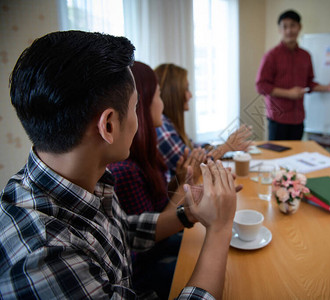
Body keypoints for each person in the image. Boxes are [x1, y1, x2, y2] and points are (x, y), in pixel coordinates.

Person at [0, 30, 237, 300]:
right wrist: (219, 228)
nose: (140, 119)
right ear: (109, 125)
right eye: (136, 107)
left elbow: (123, 232)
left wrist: (189, 214)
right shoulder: (44, 258)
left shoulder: (85, 179)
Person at [107, 61, 206, 299]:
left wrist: (179, 185)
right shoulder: (125, 167)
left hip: (151, 248)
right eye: (158, 95)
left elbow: (151, 213)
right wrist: (183, 191)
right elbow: (151, 241)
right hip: (144, 267)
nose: (162, 103)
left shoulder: (147, 151)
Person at [256, 10, 330, 141]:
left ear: (299, 27)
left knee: (295, 159)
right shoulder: (271, 56)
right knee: (276, 159)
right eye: (285, 26)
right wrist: (288, 93)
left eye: (292, 25)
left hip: (298, 118)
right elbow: (261, 86)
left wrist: (328, 88)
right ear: (279, 30)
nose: (289, 30)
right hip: (278, 119)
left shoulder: (305, 56)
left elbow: (309, 83)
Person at [155, 63, 253, 181]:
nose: (190, 95)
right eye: (186, 89)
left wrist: (222, 146)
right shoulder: (163, 130)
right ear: (173, 93)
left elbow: (194, 149)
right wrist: (226, 147)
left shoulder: (168, 124)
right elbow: (194, 168)